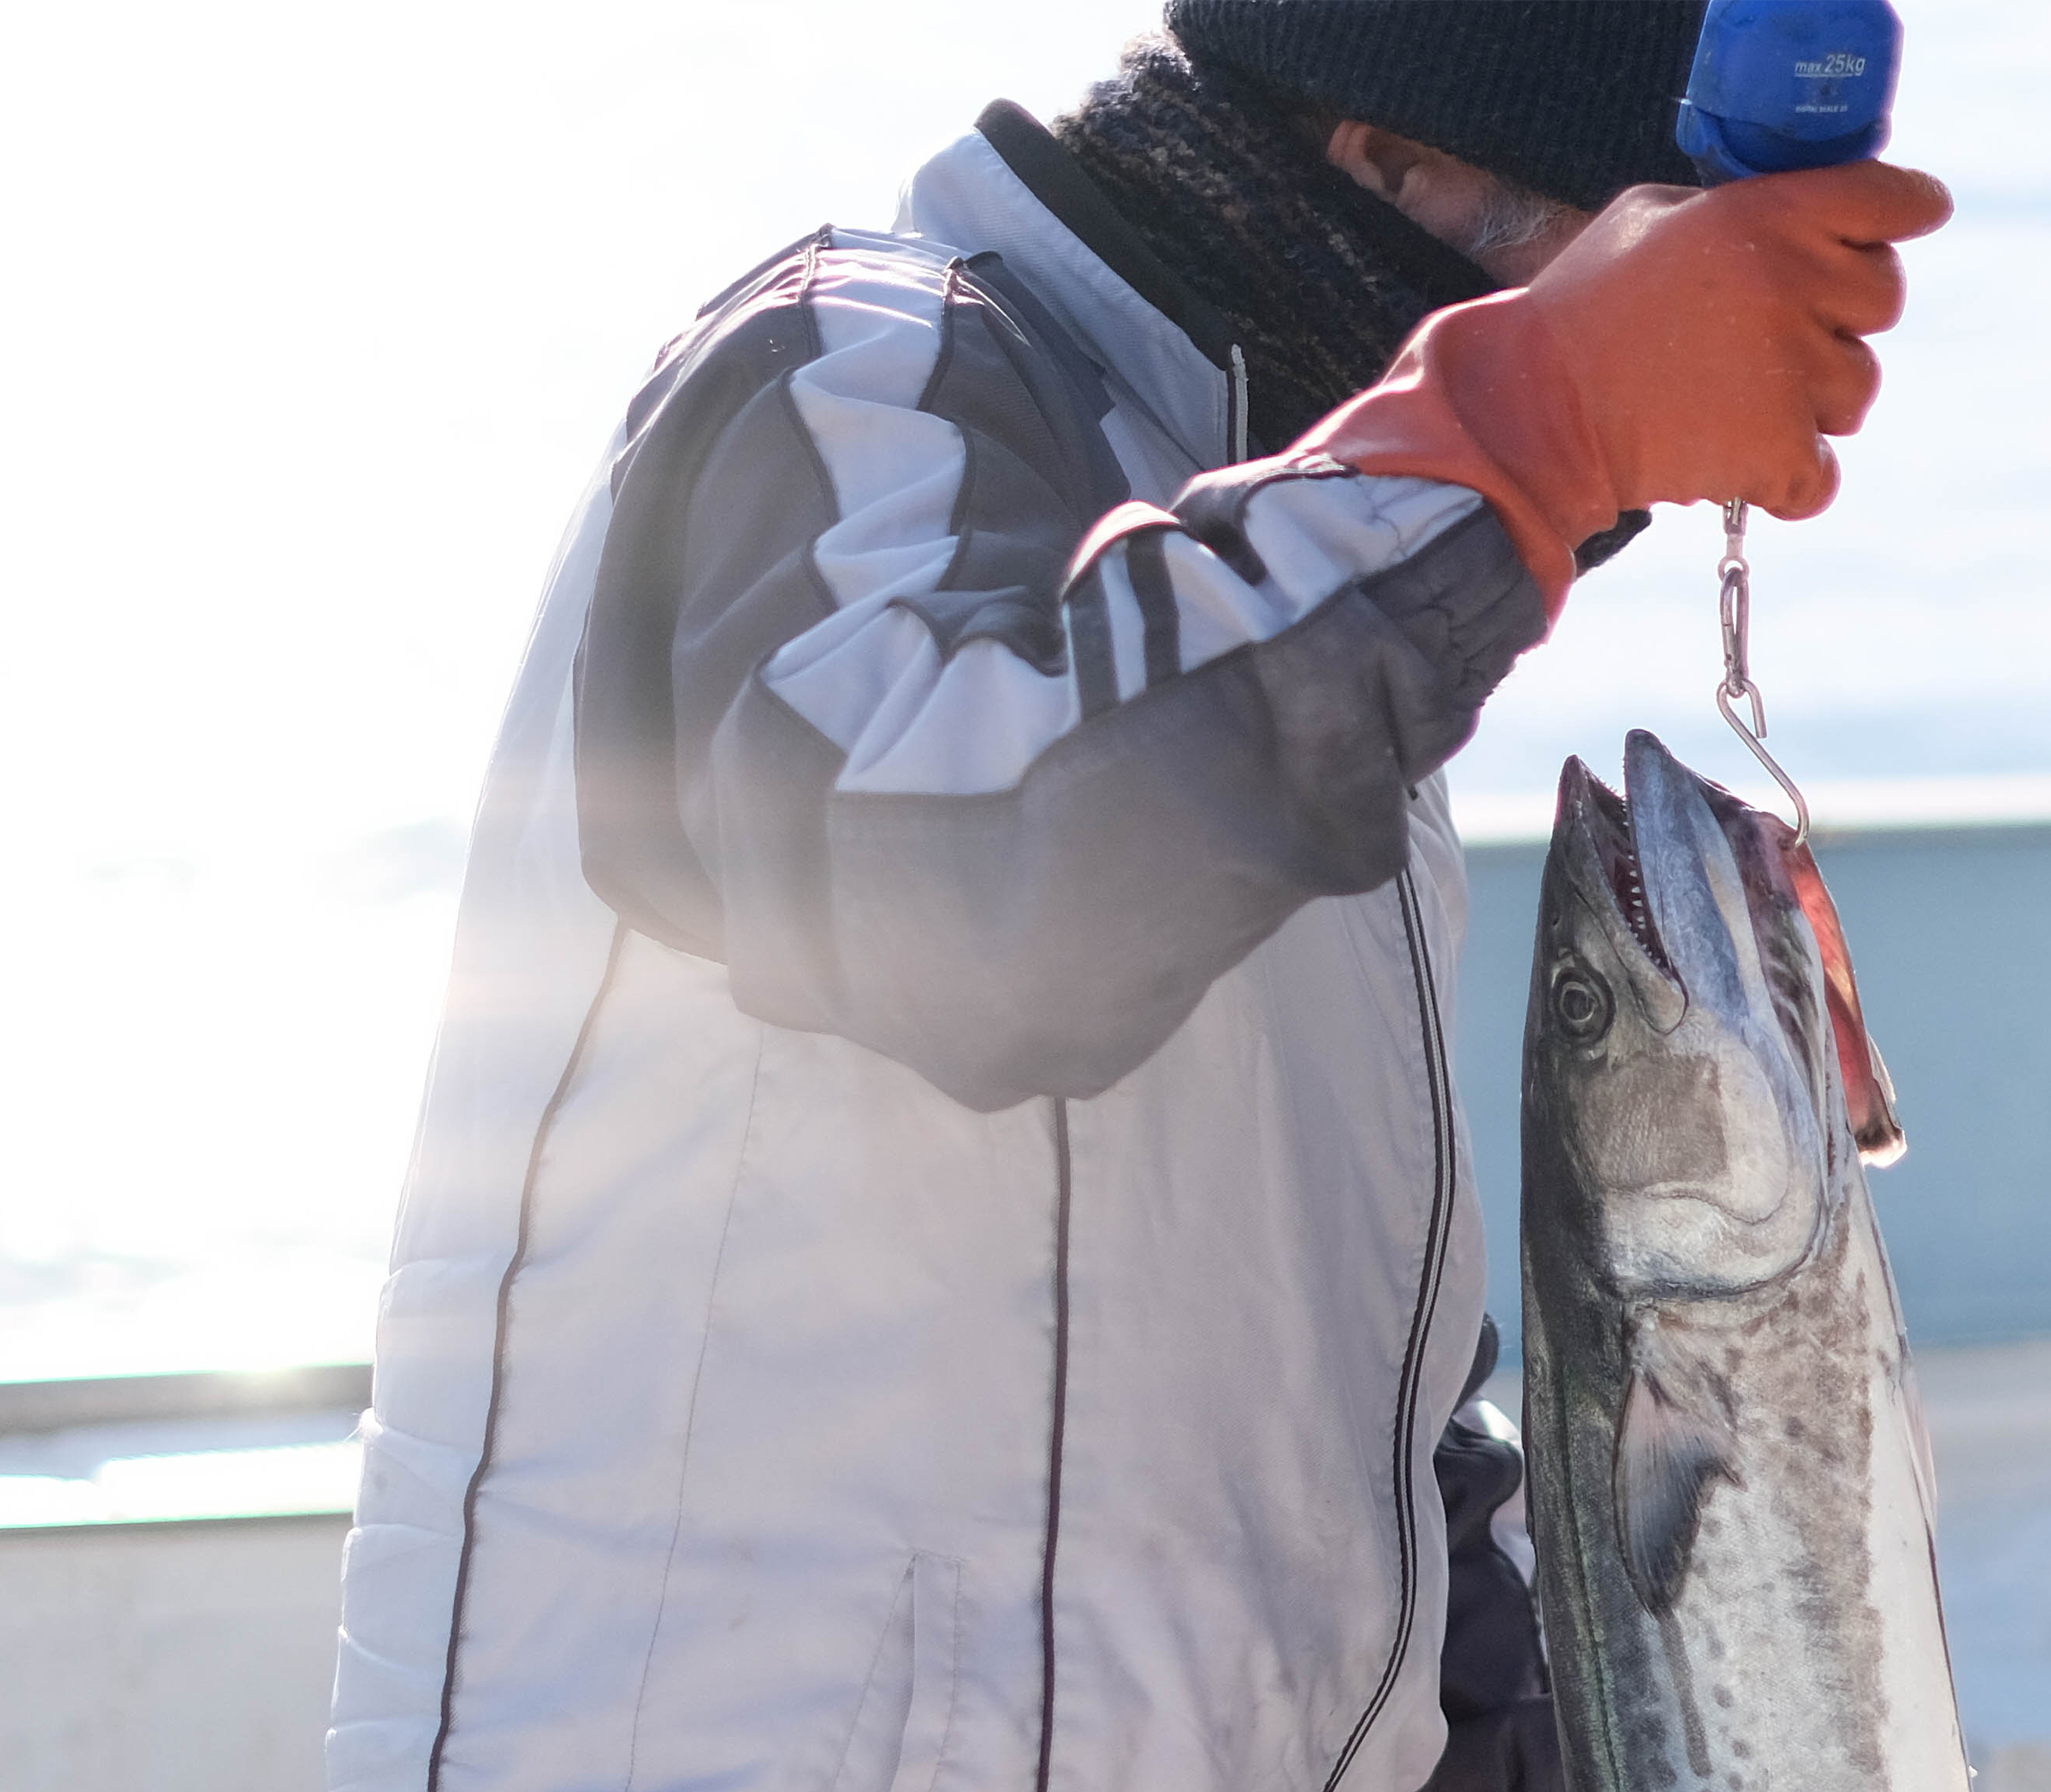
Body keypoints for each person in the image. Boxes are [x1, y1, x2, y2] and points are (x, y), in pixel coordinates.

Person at [323, 4, 1951, 1788]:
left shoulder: (1316, 666)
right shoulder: (849, 376)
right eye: (1621, 278)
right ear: (1392, 165)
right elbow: (964, 894)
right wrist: (1533, 423)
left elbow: (1374, 1487)